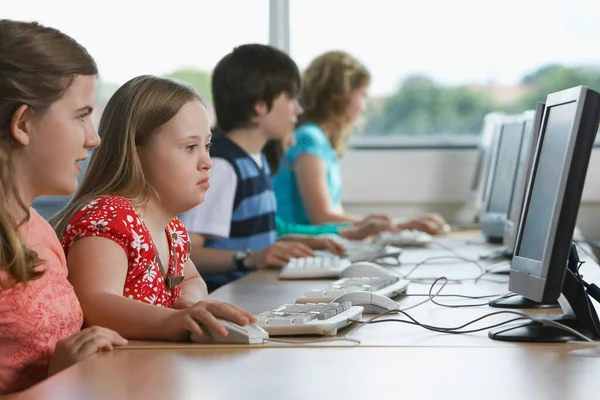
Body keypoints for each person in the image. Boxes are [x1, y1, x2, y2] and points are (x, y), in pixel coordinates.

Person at [52, 75, 255, 342]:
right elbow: (95, 303)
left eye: (206, 146)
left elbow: (192, 281)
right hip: (104, 377)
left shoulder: (171, 228)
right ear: (136, 152)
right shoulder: (111, 218)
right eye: (190, 147)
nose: (207, 162)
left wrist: (190, 306)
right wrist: (174, 320)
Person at [0, 19, 126, 395]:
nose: (95, 138)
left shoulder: (37, 227)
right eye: (81, 115)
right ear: (23, 123)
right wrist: (57, 378)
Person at [180, 44, 339, 292]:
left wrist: (301, 242)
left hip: (256, 292)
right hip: (227, 300)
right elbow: (188, 253)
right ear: (260, 105)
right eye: (291, 98)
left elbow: (256, 242)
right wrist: (249, 258)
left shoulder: (257, 160)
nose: (299, 109)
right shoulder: (222, 166)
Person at [272, 50, 447, 234]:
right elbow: (322, 217)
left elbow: (334, 214)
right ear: (342, 95)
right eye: (362, 95)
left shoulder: (319, 140)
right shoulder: (310, 138)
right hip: (301, 245)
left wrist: (391, 225)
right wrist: (398, 225)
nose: (363, 108)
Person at [263, 134, 394, 241]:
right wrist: (355, 231)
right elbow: (321, 217)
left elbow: (281, 230)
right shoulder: (309, 138)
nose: (292, 142)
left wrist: (360, 229)